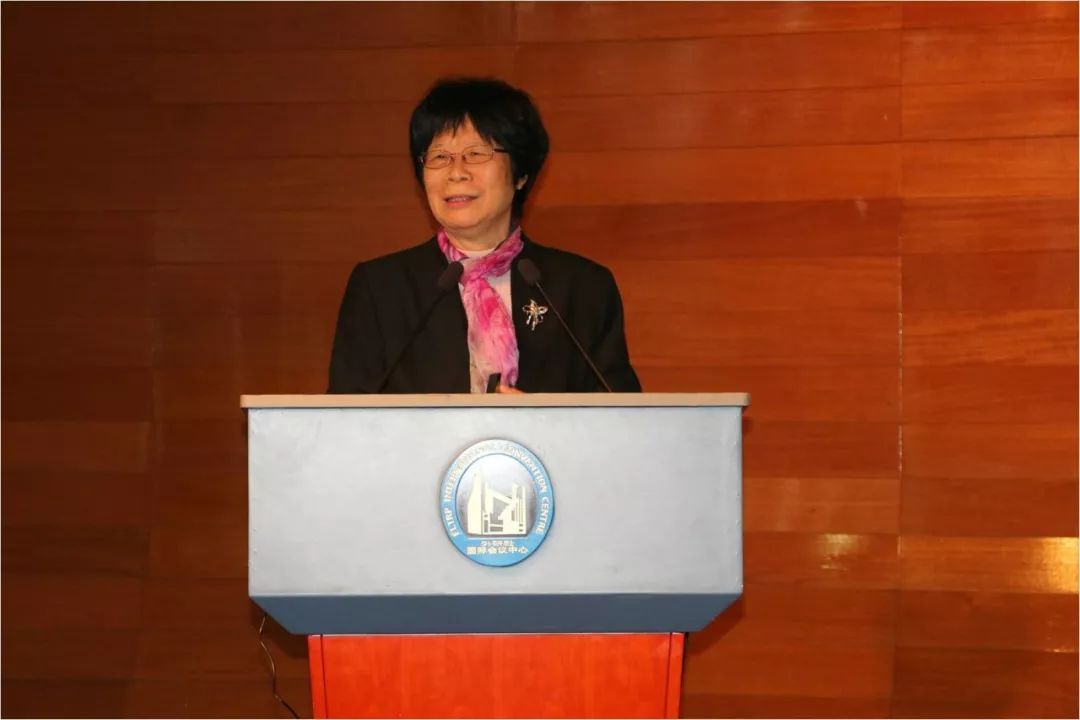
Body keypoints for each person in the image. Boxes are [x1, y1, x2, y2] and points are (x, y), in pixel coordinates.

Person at [328, 77, 640, 394]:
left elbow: (622, 417)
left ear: (520, 174)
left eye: (476, 153)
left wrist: (544, 419)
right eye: (439, 156)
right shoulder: (381, 288)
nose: (456, 172)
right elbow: (344, 416)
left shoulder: (582, 288)